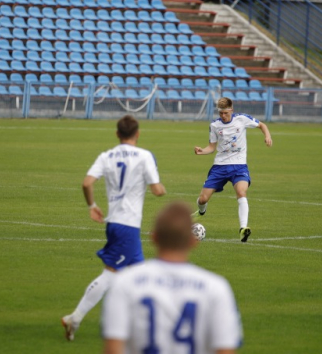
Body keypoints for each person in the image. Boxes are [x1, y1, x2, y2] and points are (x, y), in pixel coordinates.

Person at [61, 115, 166, 341]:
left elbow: (87, 182)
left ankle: (140, 325)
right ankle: (75, 317)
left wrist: (92, 205)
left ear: (117, 134)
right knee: (111, 275)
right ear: (137, 134)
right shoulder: (145, 156)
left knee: (139, 275)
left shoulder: (106, 156)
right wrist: (159, 184)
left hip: (116, 223)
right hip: (127, 225)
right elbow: (158, 191)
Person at [102, 201, 243, 354]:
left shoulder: (124, 283)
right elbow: (225, 349)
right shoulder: (217, 288)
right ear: (193, 242)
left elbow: (113, 348)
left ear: (154, 237)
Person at [193, 97, 272, 242]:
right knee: (203, 199)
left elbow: (262, 125)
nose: (223, 116)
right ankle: (201, 211)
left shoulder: (242, 119)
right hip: (219, 167)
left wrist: (267, 136)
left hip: (239, 166)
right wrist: (202, 151)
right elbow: (212, 147)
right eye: (220, 113)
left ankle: (243, 228)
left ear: (231, 110)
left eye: (225, 113)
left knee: (241, 192)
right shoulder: (215, 125)